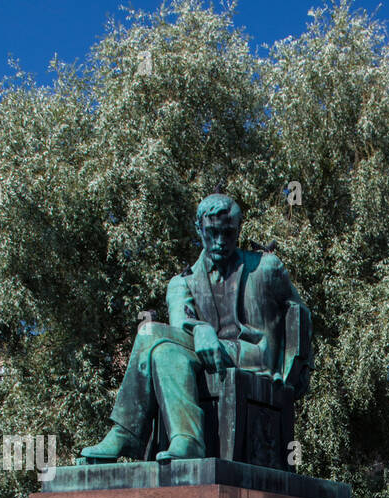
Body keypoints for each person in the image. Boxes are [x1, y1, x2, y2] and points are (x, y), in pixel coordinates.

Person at [80, 194, 311, 463]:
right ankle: (188, 440)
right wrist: (200, 329)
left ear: (239, 229)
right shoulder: (182, 282)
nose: (220, 242)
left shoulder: (265, 267)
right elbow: (180, 323)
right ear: (198, 228)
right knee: (164, 352)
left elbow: (300, 316)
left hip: (253, 357)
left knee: (151, 333)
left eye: (228, 232)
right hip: (202, 355)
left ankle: (126, 431)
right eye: (212, 232)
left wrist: (297, 373)